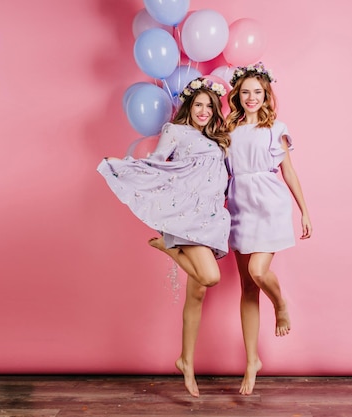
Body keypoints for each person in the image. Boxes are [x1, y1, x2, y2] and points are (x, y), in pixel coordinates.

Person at [96, 77, 231, 397]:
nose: (203, 111)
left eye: (209, 106)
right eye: (198, 104)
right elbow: (158, 164)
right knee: (210, 277)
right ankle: (167, 249)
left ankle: (186, 359)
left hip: (212, 218)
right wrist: (126, 169)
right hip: (186, 216)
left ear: (215, 111)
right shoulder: (175, 131)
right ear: (188, 106)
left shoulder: (219, 139)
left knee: (196, 295)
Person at [224, 63, 312, 395]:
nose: (251, 98)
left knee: (259, 272)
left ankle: (281, 304)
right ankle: (251, 362)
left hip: (269, 205)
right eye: (245, 92)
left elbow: (288, 171)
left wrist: (304, 210)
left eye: (257, 92)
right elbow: (220, 173)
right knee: (246, 289)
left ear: (266, 95)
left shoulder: (276, 127)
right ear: (237, 94)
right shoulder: (228, 129)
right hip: (239, 206)